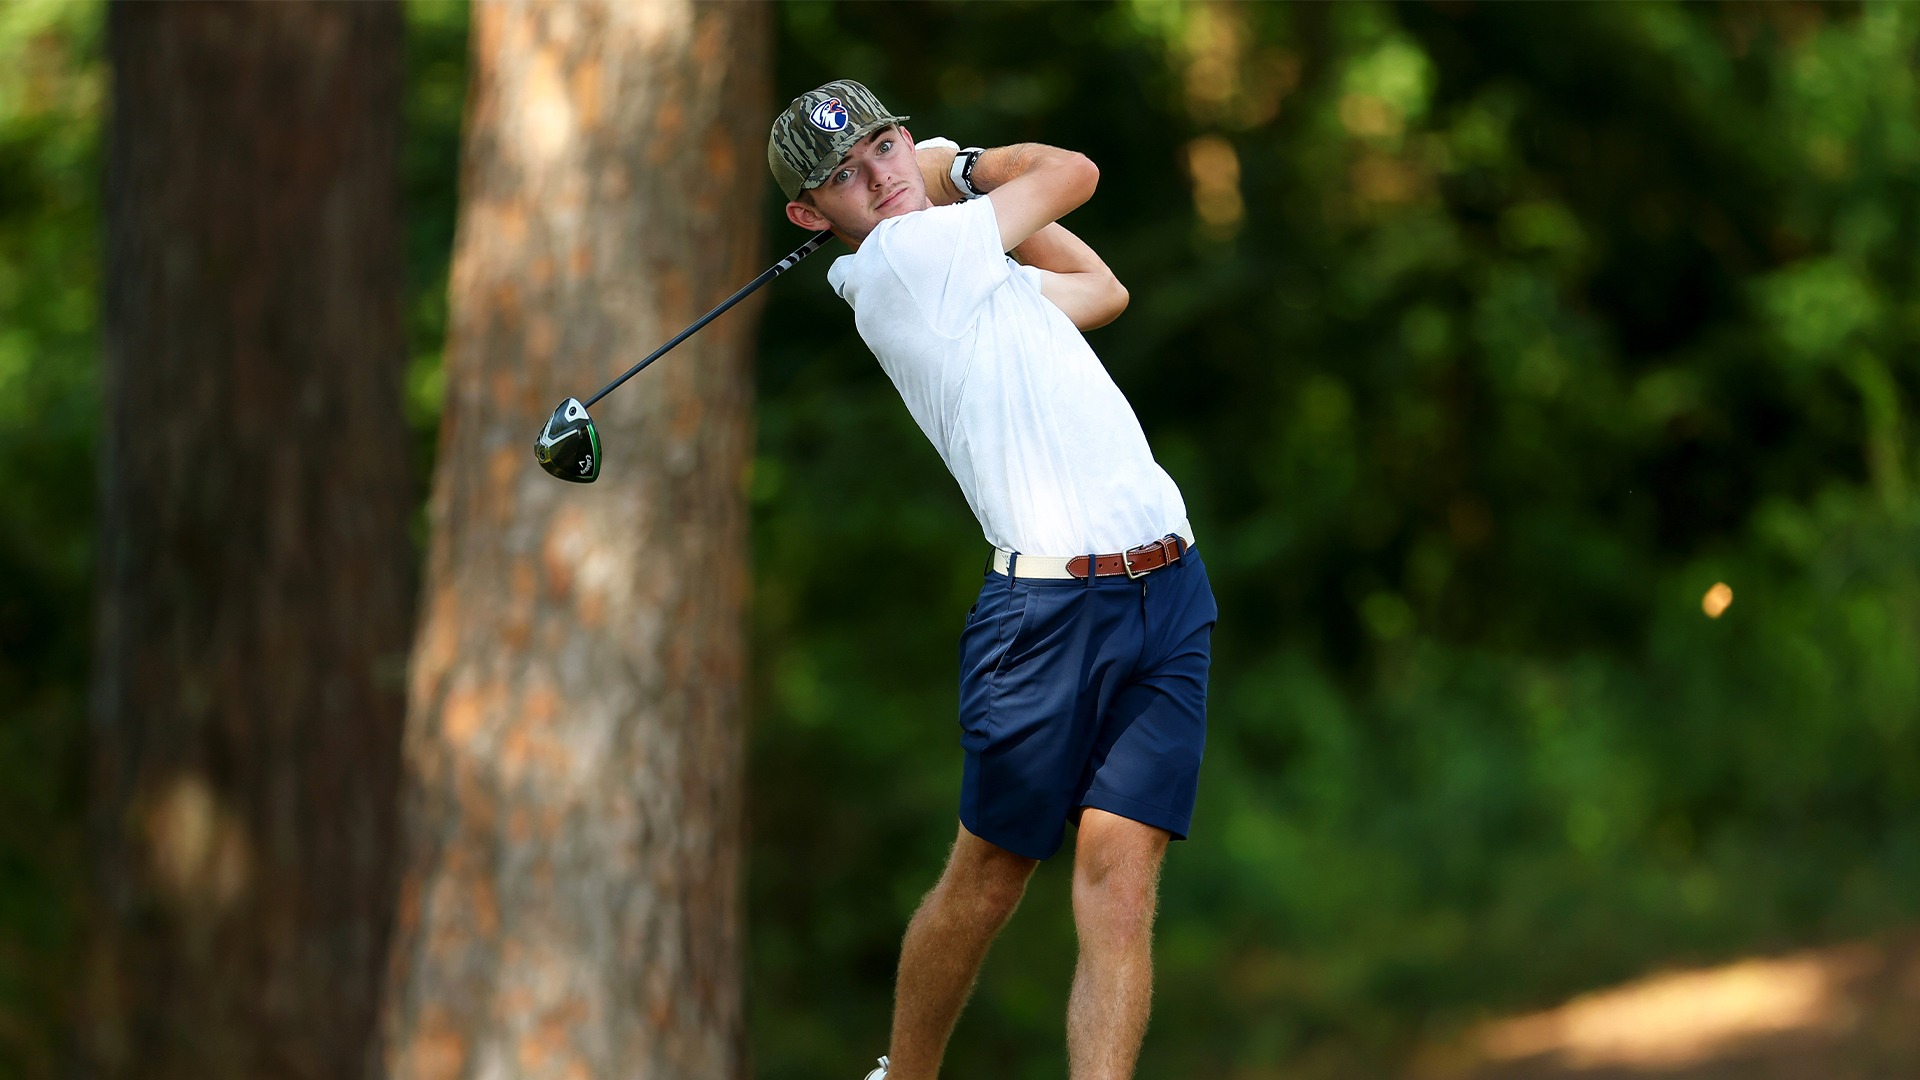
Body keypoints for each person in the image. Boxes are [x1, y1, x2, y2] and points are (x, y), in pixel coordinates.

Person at [768, 80, 1217, 1080]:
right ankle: (908, 1074)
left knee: (1121, 886)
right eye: (845, 175)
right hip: (1049, 613)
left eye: (885, 146)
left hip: (1167, 584)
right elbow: (1073, 175)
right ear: (811, 216)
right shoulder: (902, 262)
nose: (879, 175)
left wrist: (957, 195)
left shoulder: (968, 266)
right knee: (987, 882)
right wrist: (958, 168)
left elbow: (1100, 292)